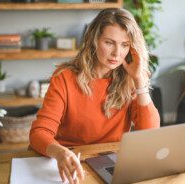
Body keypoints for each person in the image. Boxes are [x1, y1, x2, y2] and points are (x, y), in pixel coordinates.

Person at [29, 8, 160, 184]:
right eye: (109, 42)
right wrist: (60, 152)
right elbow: (39, 132)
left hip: (110, 162)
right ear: (94, 40)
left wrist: (139, 78)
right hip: (68, 161)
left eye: (124, 45)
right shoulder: (64, 78)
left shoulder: (131, 80)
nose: (117, 53)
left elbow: (150, 134)